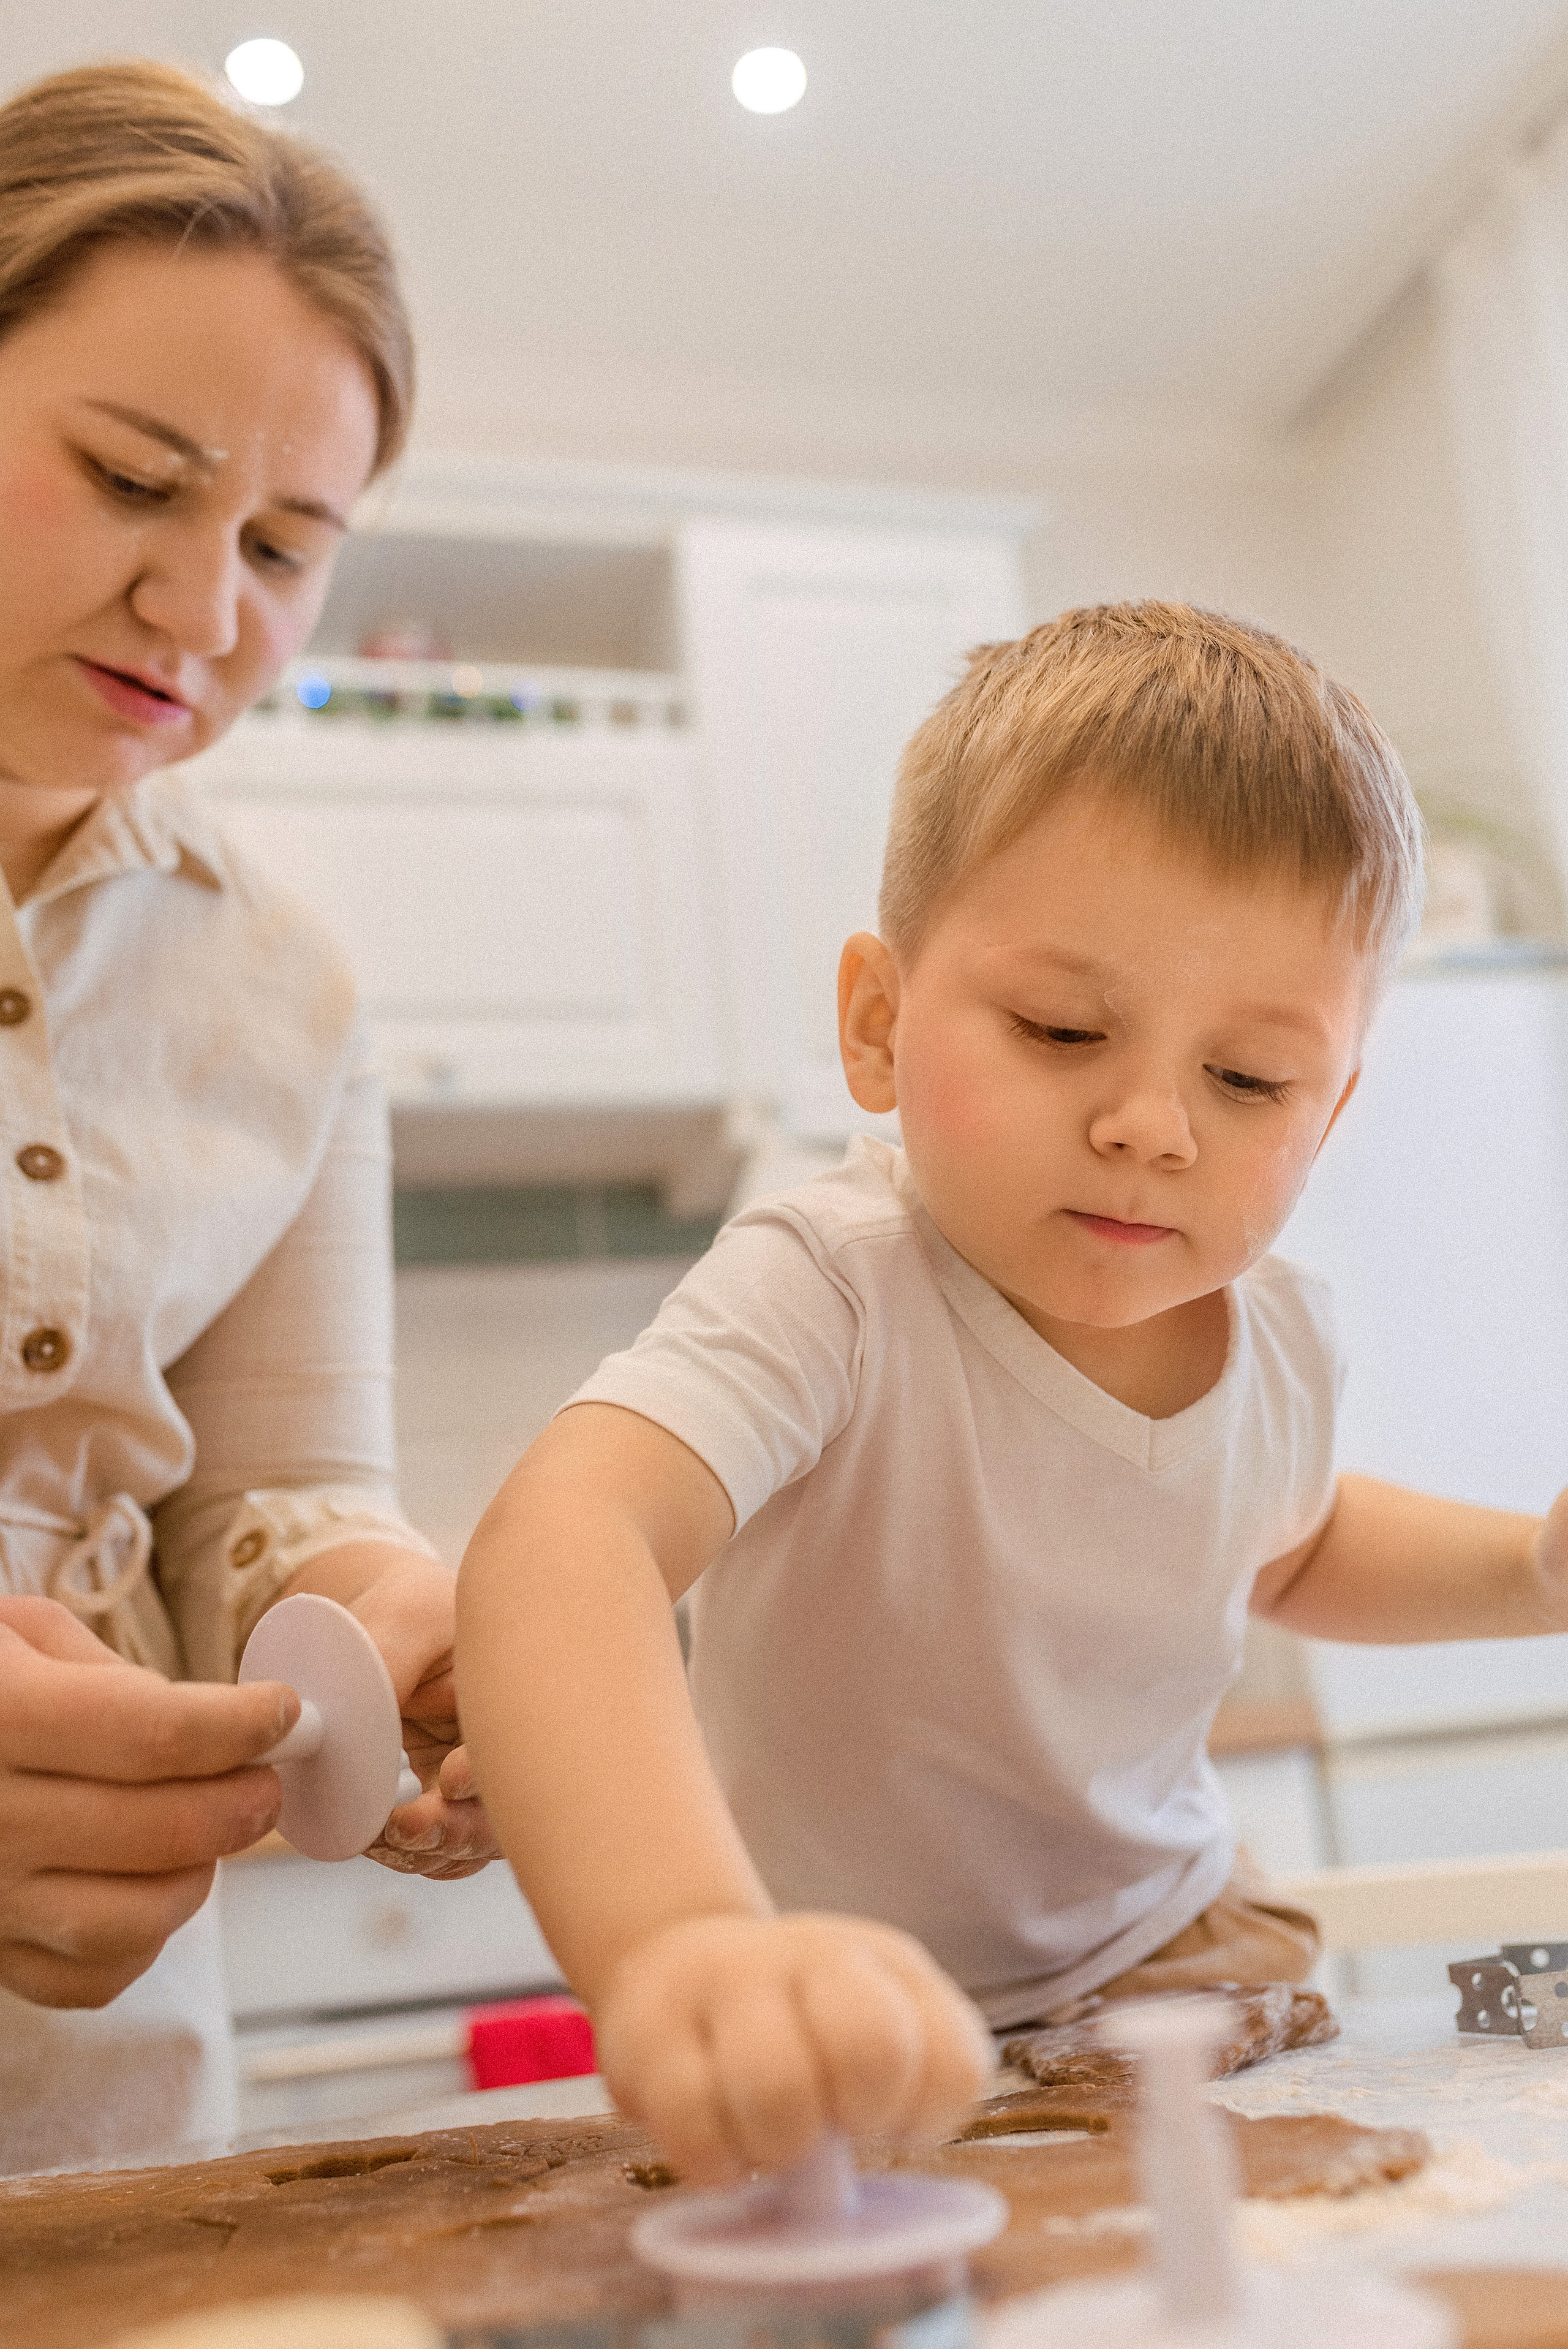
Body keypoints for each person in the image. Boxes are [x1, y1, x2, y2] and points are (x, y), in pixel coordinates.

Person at [458, 602, 1568, 2184]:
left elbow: (1294, 1544)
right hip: (840, 1998)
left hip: (1185, 1955)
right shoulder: (833, 1283)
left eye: (1247, 1079)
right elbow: (573, 1538)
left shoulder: (1285, 1335)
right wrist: (684, 1943)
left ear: (1331, 1110)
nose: (1150, 1124)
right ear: (878, 1022)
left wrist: (1532, 1568)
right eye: (1063, 1030)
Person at [0, 61, 495, 2177]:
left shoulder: (283, 983)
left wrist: (389, 1632)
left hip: (104, 2107)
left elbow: (272, 1490)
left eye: (286, 546)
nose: (207, 618)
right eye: (132, 479)